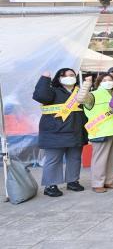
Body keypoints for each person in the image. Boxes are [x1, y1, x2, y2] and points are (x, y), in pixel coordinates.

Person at [33, 69, 86, 197]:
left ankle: (72, 181)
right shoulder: (53, 91)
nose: (70, 77)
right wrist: (45, 79)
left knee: (75, 158)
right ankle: (51, 185)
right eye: (66, 76)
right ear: (59, 78)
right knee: (53, 160)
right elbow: (40, 96)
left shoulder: (80, 92)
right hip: (55, 132)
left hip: (76, 130)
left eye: (72, 75)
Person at [77, 74, 113, 193]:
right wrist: (87, 84)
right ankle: (97, 183)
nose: (108, 82)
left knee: (111, 158)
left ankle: (108, 181)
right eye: (104, 80)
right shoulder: (93, 95)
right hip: (100, 131)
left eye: (110, 80)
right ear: (98, 82)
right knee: (100, 159)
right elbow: (81, 98)